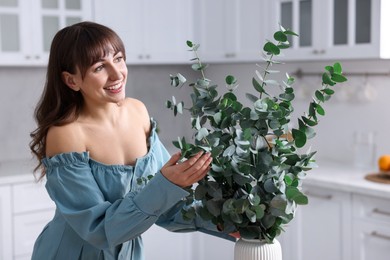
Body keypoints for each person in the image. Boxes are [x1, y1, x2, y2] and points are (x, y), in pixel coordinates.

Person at [29, 21, 234, 260]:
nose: (117, 74)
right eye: (99, 67)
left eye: (118, 59)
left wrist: (230, 223)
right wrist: (166, 184)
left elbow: (166, 208)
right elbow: (99, 230)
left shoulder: (137, 111)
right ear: (71, 80)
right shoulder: (67, 133)